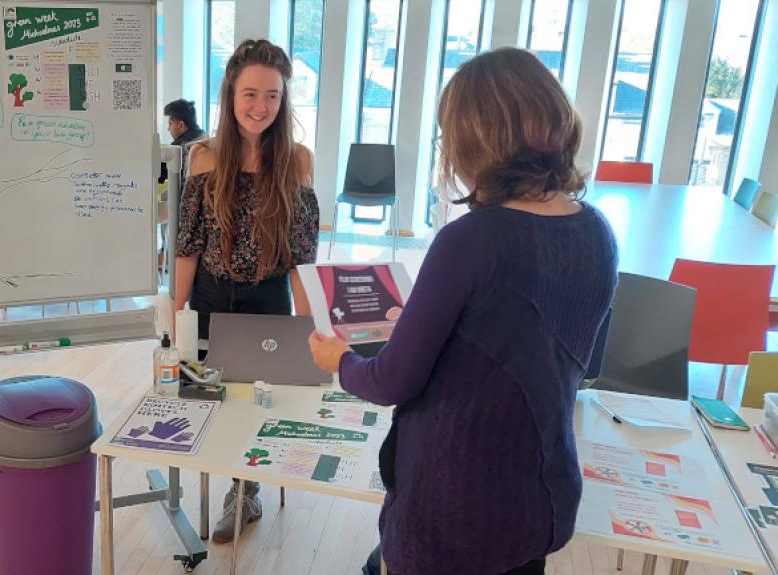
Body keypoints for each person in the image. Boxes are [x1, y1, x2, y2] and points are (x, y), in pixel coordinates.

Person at [308, 47, 617, 575]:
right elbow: (579, 360)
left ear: (474, 140)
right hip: (540, 500)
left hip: (454, 513)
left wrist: (339, 360)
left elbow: (389, 382)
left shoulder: (471, 239)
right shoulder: (597, 230)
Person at [174, 39, 319, 544]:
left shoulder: (297, 160)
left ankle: (245, 490)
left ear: (284, 101)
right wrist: (173, 316)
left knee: (258, 403)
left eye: (273, 96)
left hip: (267, 299)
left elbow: (301, 257)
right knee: (209, 397)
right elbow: (188, 245)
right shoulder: (204, 157)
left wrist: (307, 328)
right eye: (250, 94)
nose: (261, 106)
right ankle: (222, 477)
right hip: (211, 297)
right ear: (230, 94)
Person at [160, 99, 207, 186]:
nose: (168, 128)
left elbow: (159, 174)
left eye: (170, 124)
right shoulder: (204, 138)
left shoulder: (180, 148)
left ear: (181, 125)